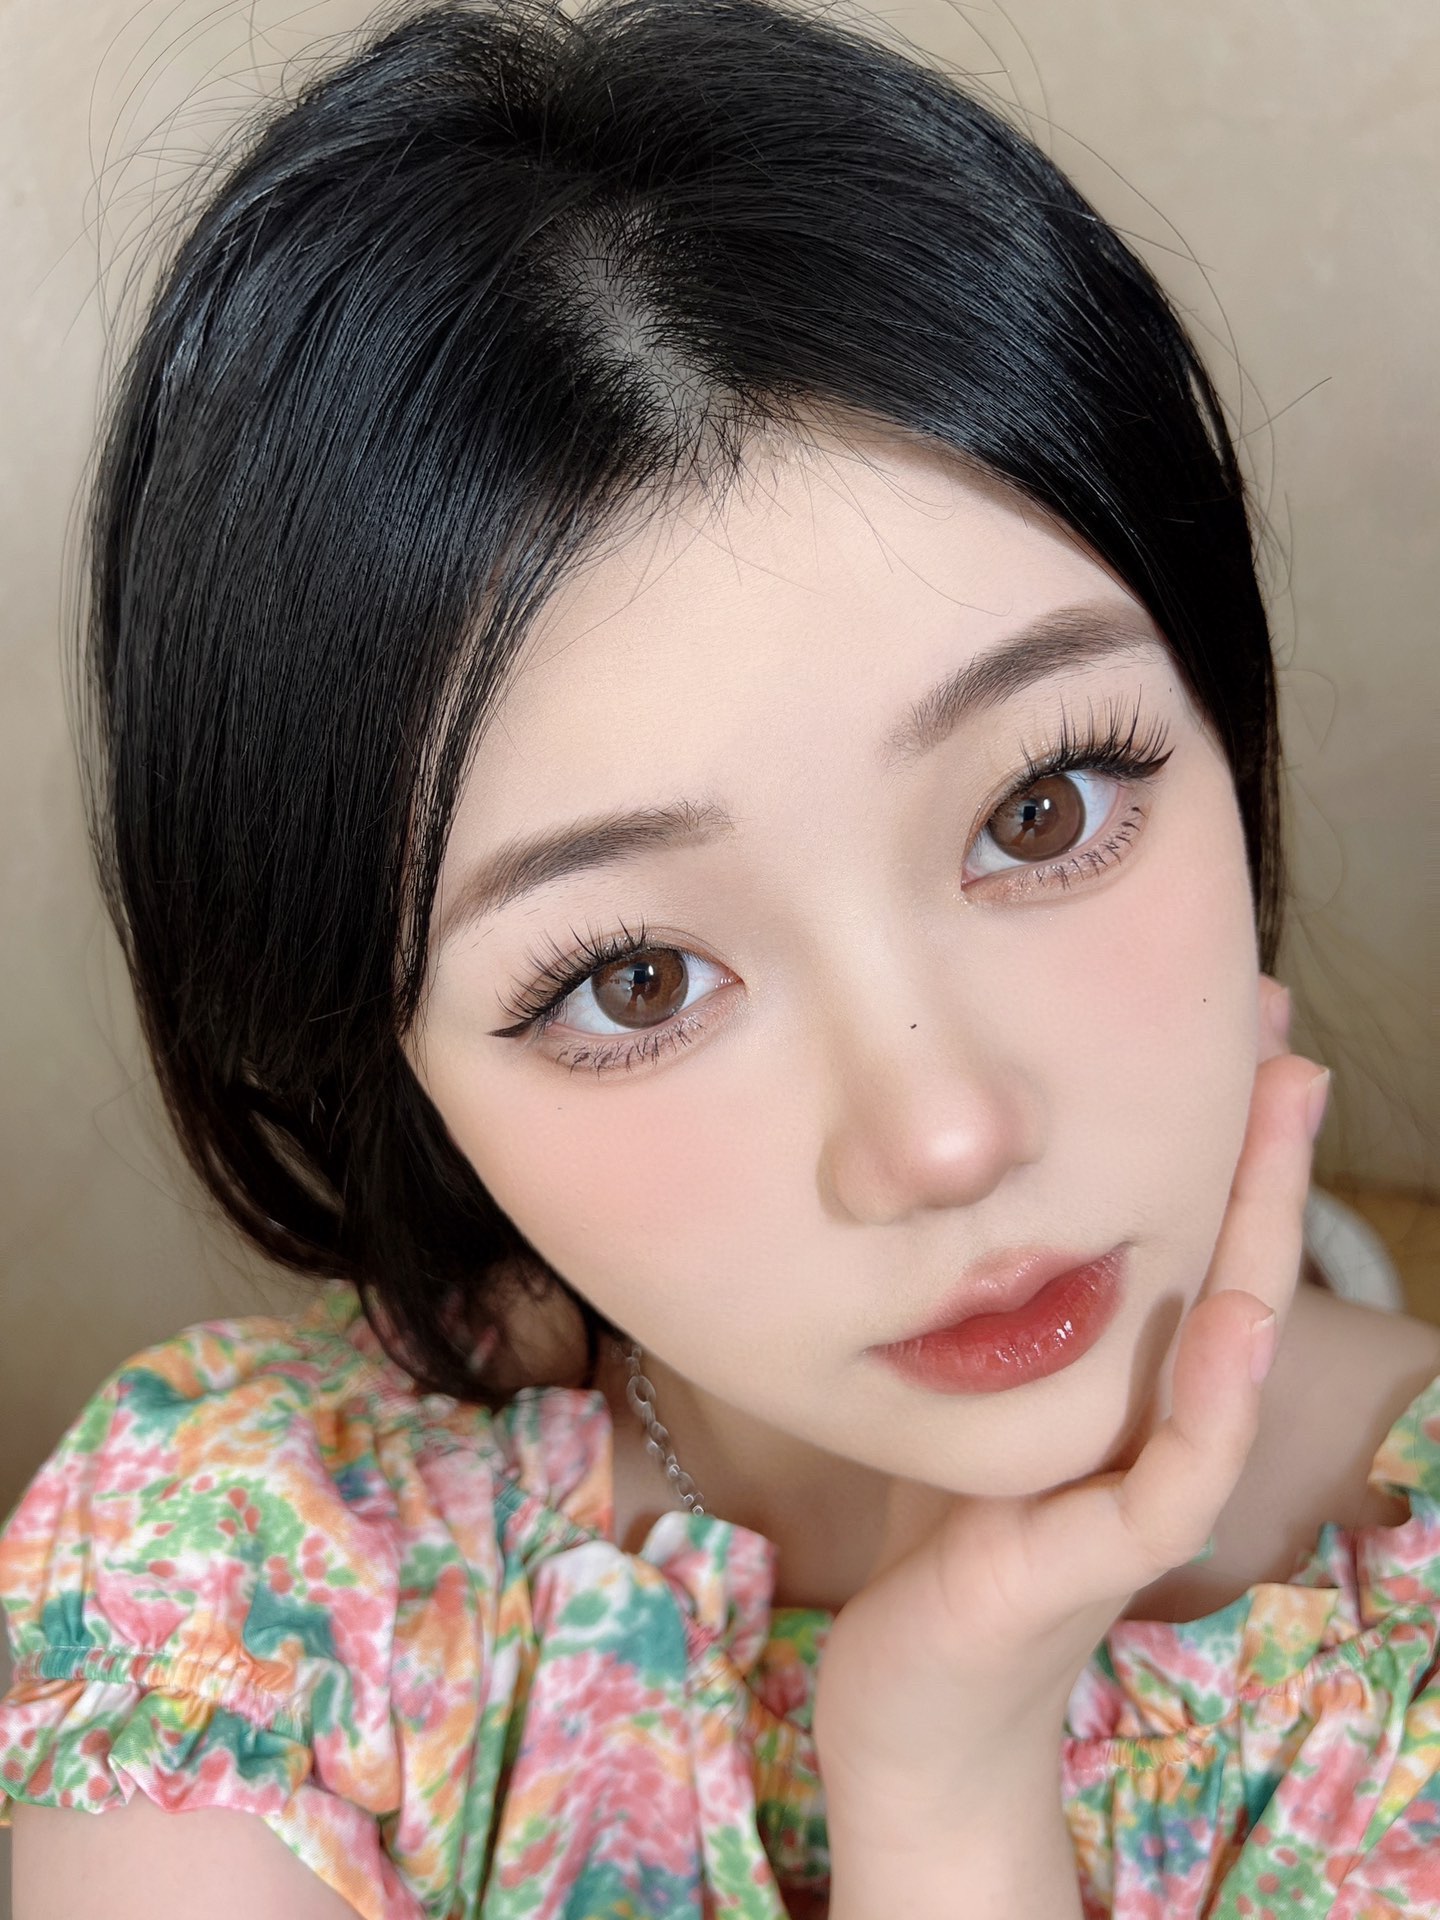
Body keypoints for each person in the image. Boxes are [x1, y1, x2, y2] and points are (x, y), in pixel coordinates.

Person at [4, 0, 1439, 1913]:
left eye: (1041, 810)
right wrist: (936, 1784)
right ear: (390, 1047)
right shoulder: (244, 1572)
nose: (942, 1133)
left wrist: (949, 1795)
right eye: (636, 980)